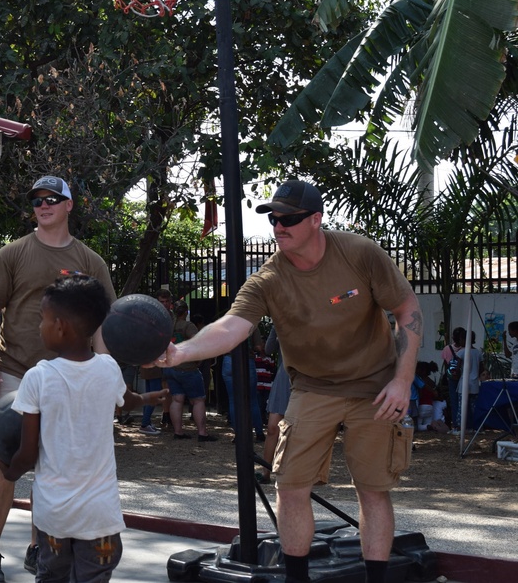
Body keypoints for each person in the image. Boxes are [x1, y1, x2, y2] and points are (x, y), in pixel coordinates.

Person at [157, 180, 421, 583]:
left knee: (372, 489)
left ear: (316, 220)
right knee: (290, 486)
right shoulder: (269, 278)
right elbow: (232, 326)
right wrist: (181, 352)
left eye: (289, 219)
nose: (279, 226)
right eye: (274, 218)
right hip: (312, 387)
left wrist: (403, 381)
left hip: (375, 386)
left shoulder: (359, 253)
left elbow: (407, 311)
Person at [0, 175, 116, 583]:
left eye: (53, 198)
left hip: (70, 378)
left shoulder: (91, 261)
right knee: (5, 463)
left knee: (53, 468)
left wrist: (105, 371)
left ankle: (40, 548)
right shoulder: (12, 254)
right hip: (16, 372)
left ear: (70, 205)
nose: (43, 204)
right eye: (36, 199)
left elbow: (103, 322)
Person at [1, 274, 165, 582]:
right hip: (100, 517)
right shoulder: (108, 368)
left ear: (60, 326)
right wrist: (146, 398)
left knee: (52, 576)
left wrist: (9, 472)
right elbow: (125, 400)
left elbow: (28, 451)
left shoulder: (39, 377)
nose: (40, 327)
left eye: (42, 319)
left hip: (55, 517)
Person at [139, 291, 174, 435]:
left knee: (150, 393)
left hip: (154, 356)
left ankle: (146, 422)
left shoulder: (166, 315)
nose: (164, 304)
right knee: (154, 393)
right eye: (162, 301)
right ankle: (145, 423)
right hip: (152, 358)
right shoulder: (153, 316)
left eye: (166, 301)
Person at [259, 326, 290, 484]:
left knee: (299, 430)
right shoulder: (280, 320)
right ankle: (266, 471)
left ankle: (294, 473)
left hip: (306, 378)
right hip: (284, 376)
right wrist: (275, 326)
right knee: (272, 427)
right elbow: (268, 349)